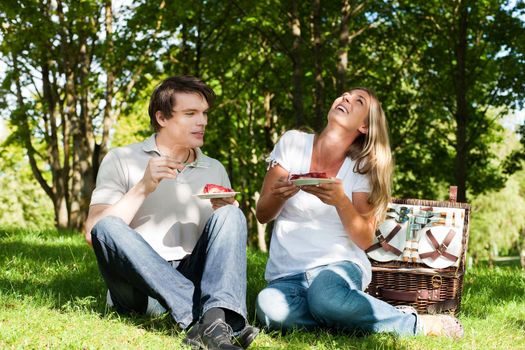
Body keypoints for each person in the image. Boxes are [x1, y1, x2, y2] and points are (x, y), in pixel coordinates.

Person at [255, 88, 464, 338]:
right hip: (287, 274)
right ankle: (349, 317)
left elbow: (366, 239)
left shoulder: (362, 168)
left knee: (324, 296)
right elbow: (262, 215)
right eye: (344, 95)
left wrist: (341, 202)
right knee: (269, 310)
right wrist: (279, 194)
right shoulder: (293, 143)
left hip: (338, 267)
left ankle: (416, 324)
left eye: (358, 101)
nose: (346, 99)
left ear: (364, 126)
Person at [85, 75, 259, 350]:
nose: (202, 121)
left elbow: (219, 247)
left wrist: (224, 218)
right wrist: (143, 187)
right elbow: (93, 232)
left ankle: (210, 322)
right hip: (138, 284)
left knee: (232, 216)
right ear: (162, 117)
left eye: (203, 113)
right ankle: (215, 319)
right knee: (106, 226)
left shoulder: (214, 168)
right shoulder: (121, 158)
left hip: (193, 269)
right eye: (190, 113)